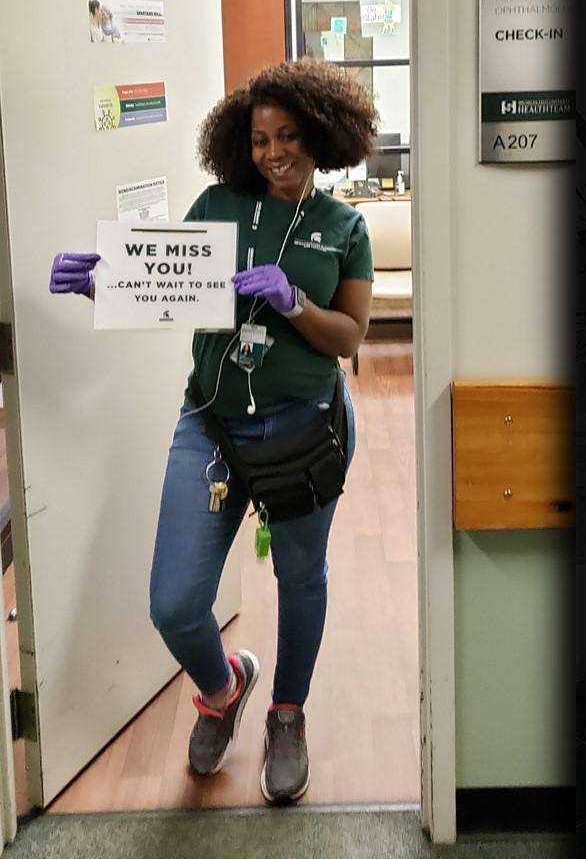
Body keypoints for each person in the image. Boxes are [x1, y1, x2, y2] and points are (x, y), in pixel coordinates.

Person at [48, 60, 377, 804]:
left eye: (289, 135)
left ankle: (287, 716)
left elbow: (350, 336)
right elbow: (162, 289)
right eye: (260, 138)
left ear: (321, 136)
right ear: (243, 144)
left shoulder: (343, 228)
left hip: (305, 433)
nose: (274, 152)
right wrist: (99, 280)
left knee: (301, 580)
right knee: (174, 602)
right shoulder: (217, 205)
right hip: (211, 428)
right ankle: (223, 688)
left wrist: (293, 301)